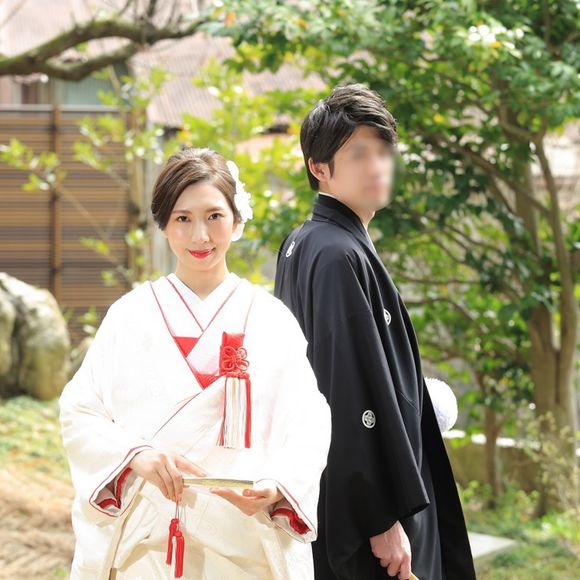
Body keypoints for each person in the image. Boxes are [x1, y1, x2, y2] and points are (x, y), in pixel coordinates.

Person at [59, 147, 332, 580]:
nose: (200, 236)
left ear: (236, 220)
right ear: (163, 224)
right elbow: (80, 411)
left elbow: (309, 421)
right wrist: (134, 456)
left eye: (214, 216)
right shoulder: (130, 315)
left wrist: (279, 483)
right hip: (146, 543)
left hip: (244, 543)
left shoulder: (271, 319)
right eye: (183, 218)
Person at [274, 84, 476, 580]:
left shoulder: (304, 242)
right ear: (319, 168)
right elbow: (342, 392)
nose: (377, 166)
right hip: (371, 517)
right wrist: (379, 517)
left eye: (384, 151)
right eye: (359, 153)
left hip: (340, 496)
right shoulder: (337, 253)